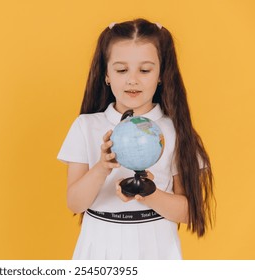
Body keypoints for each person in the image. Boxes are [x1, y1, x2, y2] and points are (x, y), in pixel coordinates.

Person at [57, 18, 215, 259]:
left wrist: (148, 192)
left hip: (156, 244)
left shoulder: (175, 130)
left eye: (145, 70)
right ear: (107, 74)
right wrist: (102, 167)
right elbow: (75, 204)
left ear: (161, 74)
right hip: (99, 245)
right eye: (121, 70)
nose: (132, 80)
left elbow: (189, 212)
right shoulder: (86, 126)